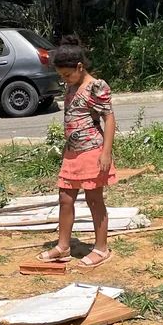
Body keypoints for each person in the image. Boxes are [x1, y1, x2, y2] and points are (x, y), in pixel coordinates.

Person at [39, 35, 117, 268]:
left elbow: (109, 119)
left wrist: (106, 152)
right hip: (72, 153)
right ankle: (63, 246)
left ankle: (101, 249)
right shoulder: (72, 86)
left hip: (92, 151)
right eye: (61, 76)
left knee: (94, 199)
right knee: (65, 198)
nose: (64, 79)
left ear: (80, 67)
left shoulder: (96, 86)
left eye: (67, 74)